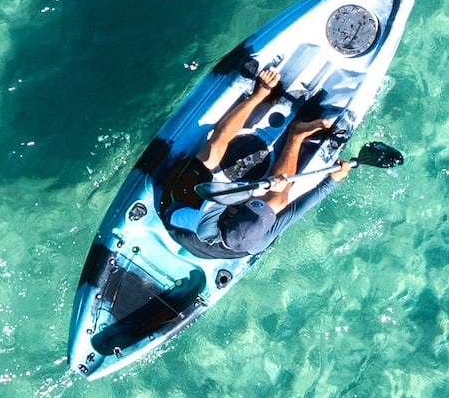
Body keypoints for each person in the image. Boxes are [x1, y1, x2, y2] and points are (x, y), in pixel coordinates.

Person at [156, 62, 392, 260]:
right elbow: (300, 206)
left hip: (181, 209)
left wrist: (259, 189)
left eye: (259, 209)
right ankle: (296, 134)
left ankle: (261, 98)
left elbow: (219, 193)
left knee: (213, 154)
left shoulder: (205, 224)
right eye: (263, 212)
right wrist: (334, 178)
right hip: (216, 224)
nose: (265, 210)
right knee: (278, 198)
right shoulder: (258, 238)